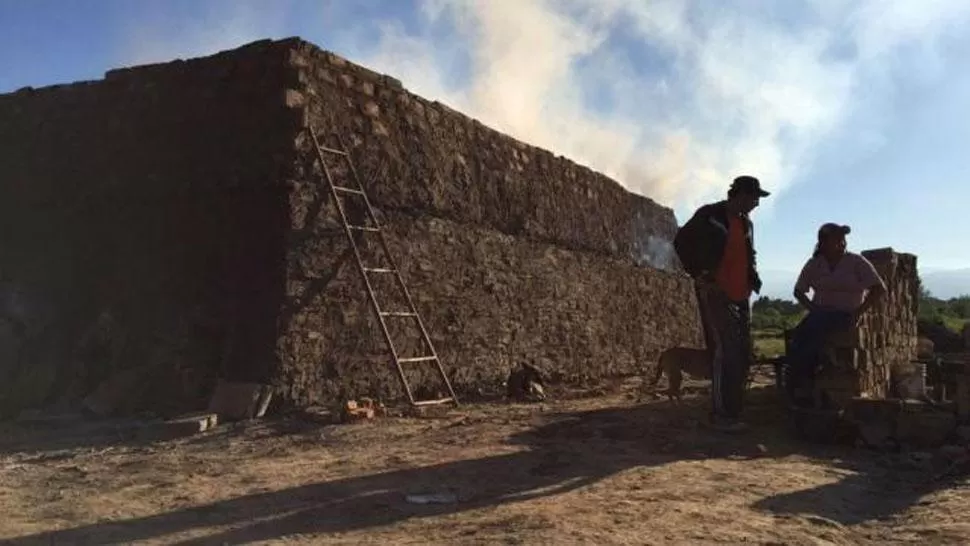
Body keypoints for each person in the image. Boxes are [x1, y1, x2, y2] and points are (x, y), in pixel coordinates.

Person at [673, 175, 769, 432]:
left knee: (741, 352)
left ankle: (734, 409)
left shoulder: (747, 224)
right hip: (715, 291)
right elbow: (681, 242)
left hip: (741, 295)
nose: (757, 203)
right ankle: (720, 414)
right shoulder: (710, 215)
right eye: (754, 197)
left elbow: (749, 255)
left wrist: (752, 278)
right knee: (723, 351)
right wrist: (700, 273)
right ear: (740, 195)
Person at [786, 223, 886, 407]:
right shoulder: (815, 264)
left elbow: (878, 289)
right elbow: (799, 291)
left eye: (843, 239)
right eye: (837, 239)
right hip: (821, 313)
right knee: (801, 335)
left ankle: (802, 381)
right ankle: (801, 380)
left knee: (810, 334)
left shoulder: (856, 262)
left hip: (845, 313)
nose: (842, 243)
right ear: (823, 243)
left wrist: (859, 311)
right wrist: (812, 307)